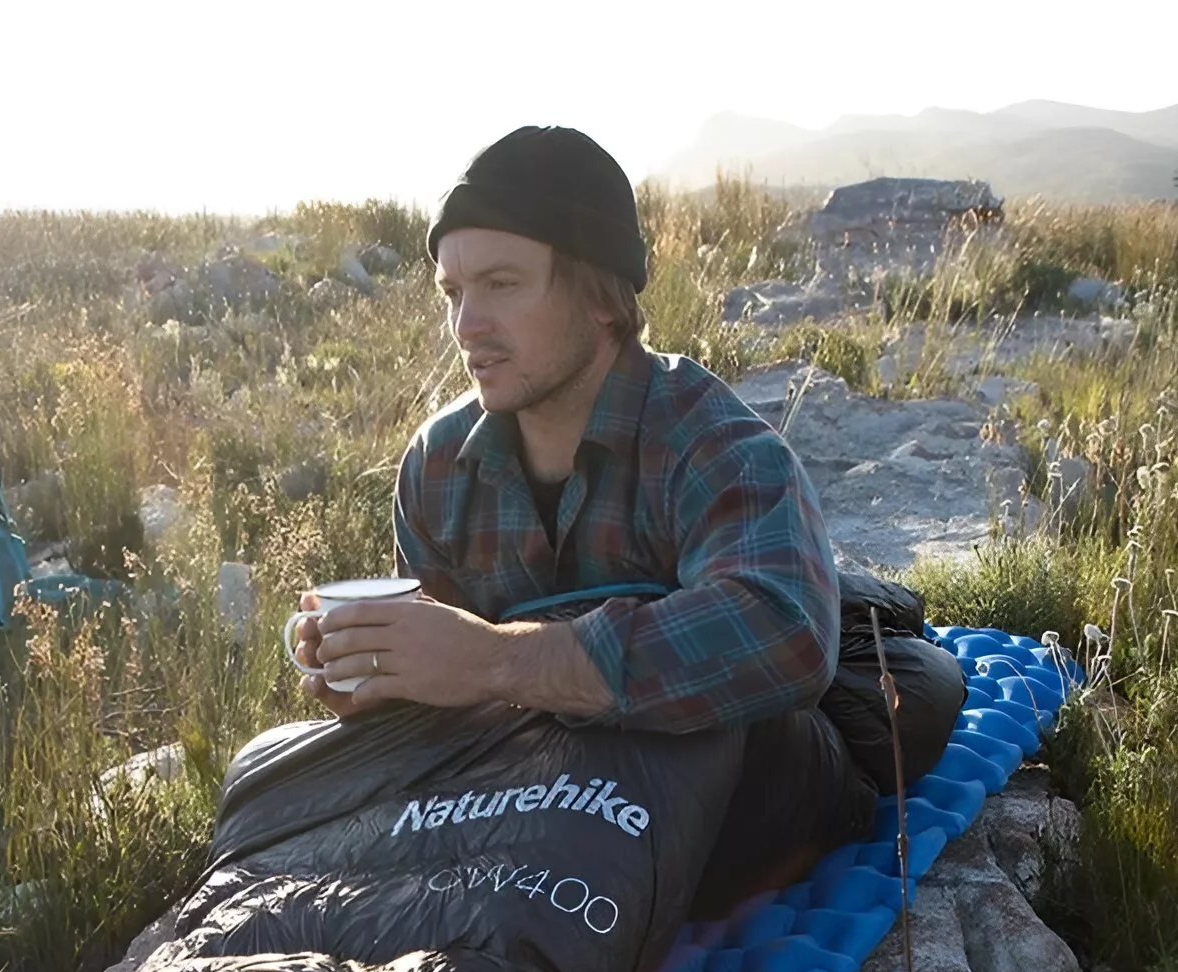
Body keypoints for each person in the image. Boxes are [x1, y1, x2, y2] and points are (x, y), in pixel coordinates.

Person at [291, 125, 882, 911]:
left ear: (601, 296)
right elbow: (448, 696)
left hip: (728, 809)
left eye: (501, 284)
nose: (466, 326)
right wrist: (381, 679)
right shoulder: (436, 465)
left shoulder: (714, 446)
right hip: (540, 816)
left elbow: (784, 636)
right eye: (453, 292)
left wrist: (494, 660)